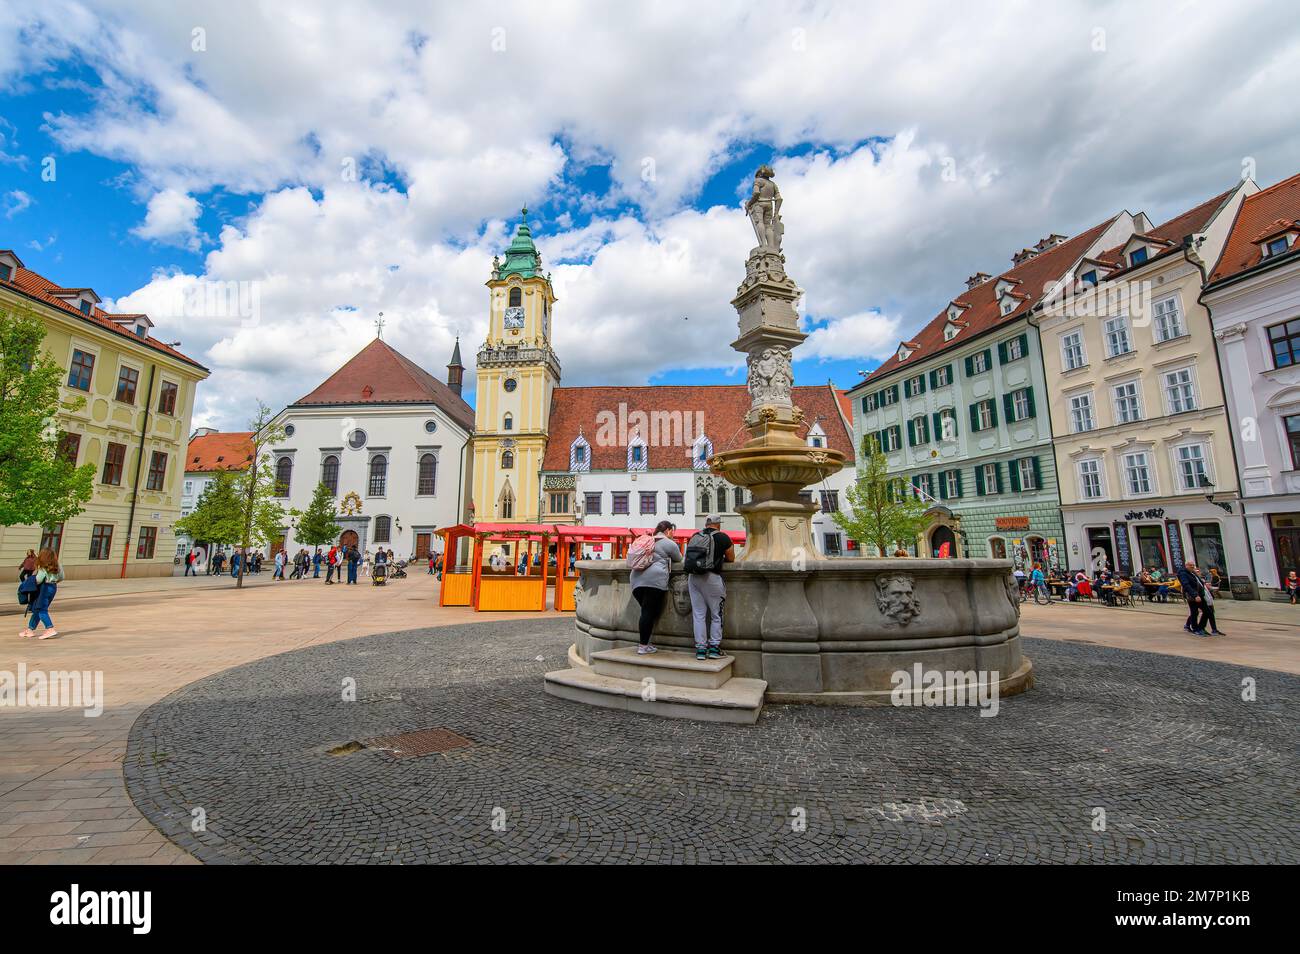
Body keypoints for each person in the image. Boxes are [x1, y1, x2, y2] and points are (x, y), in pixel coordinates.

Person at [627, 521, 683, 655]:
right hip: (654, 581)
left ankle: (646, 643)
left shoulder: (648, 539)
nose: (673, 535)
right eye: (672, 532)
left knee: (648, 612)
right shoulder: (669, 543)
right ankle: (643, 646)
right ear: (668, 531)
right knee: (648, 613)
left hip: (636, 581)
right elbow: (679, 559)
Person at [684, 515, 734, 660]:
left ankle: (700, 650)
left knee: (698, 615)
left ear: (706, 524)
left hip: (693, 577)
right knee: (716, 615)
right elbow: (731, 558)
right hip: (711, 577)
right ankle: (714, 648)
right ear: (718, 524)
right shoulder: (723, 537)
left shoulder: (695, 535)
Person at [20, 548, 64, 640]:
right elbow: (62, 577)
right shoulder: (58, 565)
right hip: (53, 587)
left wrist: (30, 582)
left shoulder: (43, 567)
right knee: (38, 609)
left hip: (44, 588)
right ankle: (30, 629)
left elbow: (39, 579)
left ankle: (50, 628)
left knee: (41, 609)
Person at [1177, 559, 1209, 637]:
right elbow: (1186, 585)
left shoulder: (1192, 572)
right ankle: (1195, 629)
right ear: (1186, 565)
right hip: (1193, 596)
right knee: (1195, 612)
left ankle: (1200, 627)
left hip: (1199, 595)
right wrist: (1195, 595)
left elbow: (1198, 582)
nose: (1192, 566)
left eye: (1193, 565)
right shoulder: (1183, 573)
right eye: (1190, 565)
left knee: (1207, 611)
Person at [1197, 565, 1226, 636]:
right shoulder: (1196, 579)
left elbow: (1206, 587)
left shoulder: (1201, 579)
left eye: (1198, 571)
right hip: (1202, 598)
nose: (1198, 573)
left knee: (1211, 613)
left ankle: (1214, 629)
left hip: (1208, 597)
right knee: (1206, 613)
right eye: (1196, 572)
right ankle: (1200, 628)